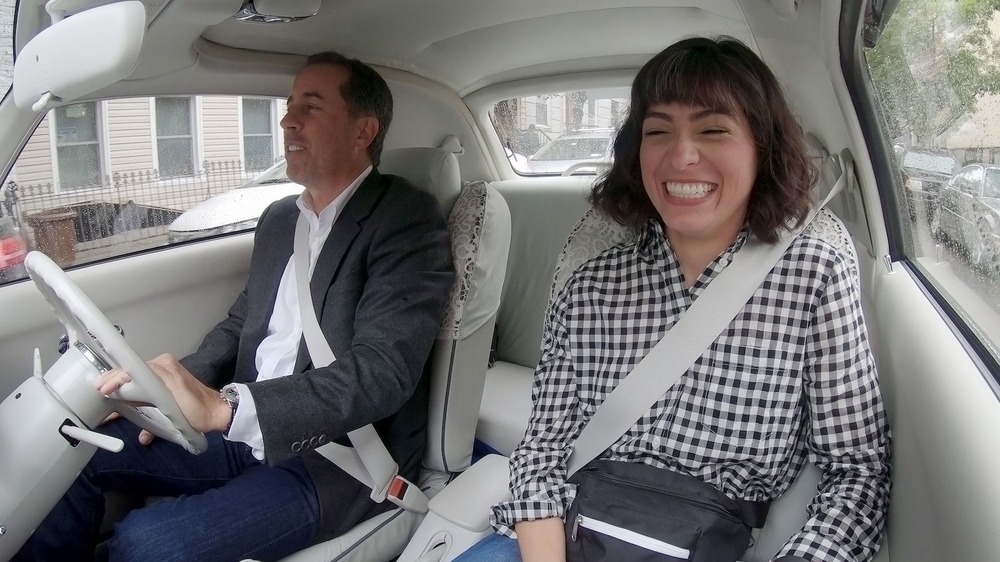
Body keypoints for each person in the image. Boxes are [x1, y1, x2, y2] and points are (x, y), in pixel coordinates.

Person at [456, 36, 890, 562]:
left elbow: (857, 472)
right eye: (657, 131)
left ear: (762, 148)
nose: (681, 155)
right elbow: (541, 452)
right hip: (562, 529)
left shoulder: (813, 271)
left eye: (713, 130)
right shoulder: (591, 283)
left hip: (703, 537)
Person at [16, 51, 455, 562]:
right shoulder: (277, 220)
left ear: (363, 132)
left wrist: (229, 408)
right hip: (239, 428)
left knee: (145, 544)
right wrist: (165, 392)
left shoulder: (406, 219)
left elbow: (382, 372)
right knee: (72, 453)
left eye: (310, 107)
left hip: (334, 460)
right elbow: (242, 324)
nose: (288, 119)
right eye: (289, 106)